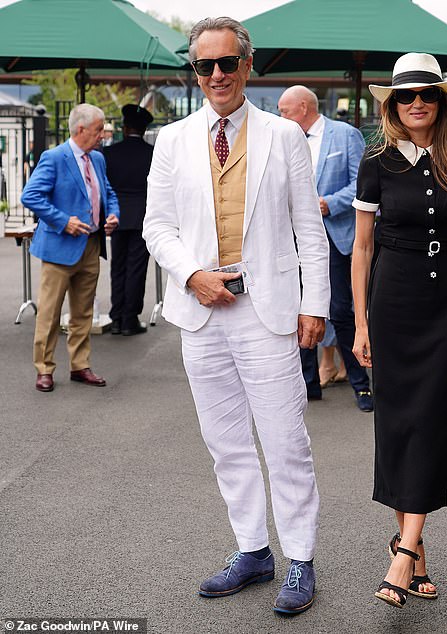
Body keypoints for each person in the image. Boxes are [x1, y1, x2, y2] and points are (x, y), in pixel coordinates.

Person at [142, 17, 329, 615]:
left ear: (248, 66)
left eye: (227, 63)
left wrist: (315, 304)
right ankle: (254, 551)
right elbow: (157, 227)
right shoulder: (172, 140)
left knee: (285, 440)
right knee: (225, 443)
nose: (217, 75)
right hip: (202, 312)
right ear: (195, 72)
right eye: (205, 66)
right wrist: (191, 275)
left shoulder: (283, 136)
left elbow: (309, 229)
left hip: (266, 311)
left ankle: (299, 557)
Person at [350, 53, 447, 608]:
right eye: (406, 96)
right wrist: (360, 323)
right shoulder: (377, 159)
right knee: (398, 423)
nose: (417, 104)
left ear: (442, 102)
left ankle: (402, 553)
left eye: (427, 95)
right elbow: (361, 249)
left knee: (433, 421)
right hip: (393, 303)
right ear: (392, 104)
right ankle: (416, 549)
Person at [278, 85, 373, 411]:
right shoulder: (284, 138)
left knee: (342, 313)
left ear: (303, 107)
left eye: (285, 110)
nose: (281, 116)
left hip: (335, 237)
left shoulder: (344, 134)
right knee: (297, 310)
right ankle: (307, 385)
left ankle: (362, 386)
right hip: (294, 239)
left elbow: (362, 184)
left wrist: (328, 204)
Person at [21, 104, 120, 393]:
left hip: (91, 246)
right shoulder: (54, 157)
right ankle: (44, 368)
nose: (103, 134)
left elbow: (109, 192)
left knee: (83, 313)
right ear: (81, 129)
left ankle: (80, 366)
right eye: (99, 129)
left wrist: (112, 215)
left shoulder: (98, 159)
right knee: (50, 314)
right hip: (59, 249)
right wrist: (63, 221)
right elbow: (30, 195)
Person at [103, 104, 154, 336]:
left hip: (117, 216)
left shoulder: (110, 153)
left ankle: (115, 318)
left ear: (124, 128)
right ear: (144, 130)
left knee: (118, 267)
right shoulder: (151, 153)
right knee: (136, 268)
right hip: (143, 215)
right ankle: (129, 320)